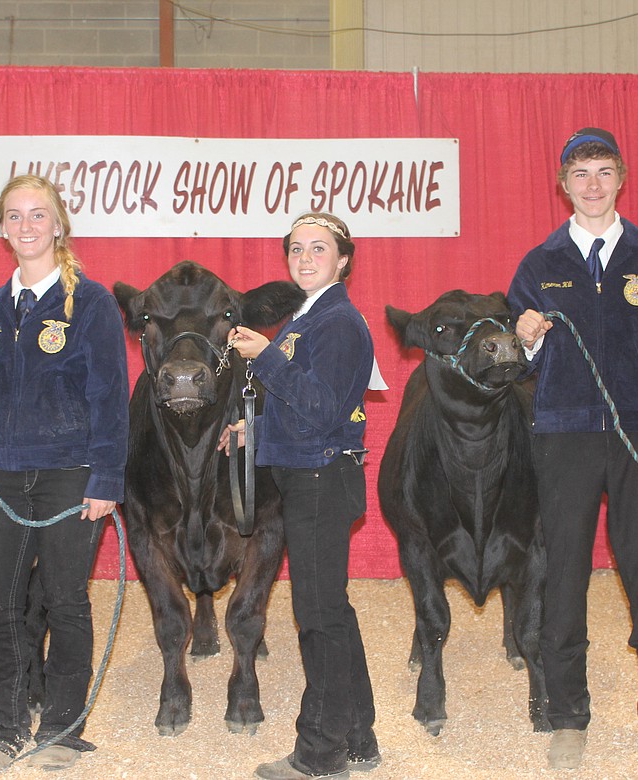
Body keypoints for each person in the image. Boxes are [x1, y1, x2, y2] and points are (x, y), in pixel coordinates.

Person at [507, 129, 638, 771]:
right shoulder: (539, 265)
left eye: (603, 172)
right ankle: (567, 716)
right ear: (562, 184)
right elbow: (515, 365)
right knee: (563, 574)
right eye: (580, 173)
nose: (592, 185)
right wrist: (526, 338)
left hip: (637, 437)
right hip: (563, 436)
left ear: (622, 179)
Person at [0, 174, 129, 776]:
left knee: (66, 600)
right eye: (14, 216)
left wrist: (106, 479)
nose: (26, 226)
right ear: (1, 229)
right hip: (5, 469)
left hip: (71, 472)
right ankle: (4, 730)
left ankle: (64, 731)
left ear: (59, 224)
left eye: (37, 215)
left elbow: (111, 395)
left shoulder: (89, 302)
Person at [221, 213, 381, 780]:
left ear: (343, 260)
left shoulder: (337, 323)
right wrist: (255, 428)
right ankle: (359, 738)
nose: (305, 257)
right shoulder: (308, 319)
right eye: (296, 248)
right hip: (309, 472)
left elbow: (320, 408)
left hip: (320, 478)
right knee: (330, 609)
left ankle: (320, 752)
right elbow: (304, 408)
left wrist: (265, 355)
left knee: (317, 617)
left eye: (319, 248)